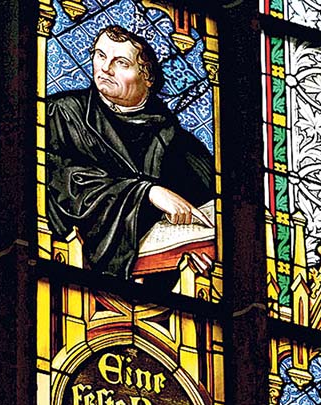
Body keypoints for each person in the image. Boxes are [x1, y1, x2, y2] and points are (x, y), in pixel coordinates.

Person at [47, 24, 215, 281]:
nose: (105, 68)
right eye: (100, 55)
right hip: (68, 275)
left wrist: (205, 252)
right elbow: (57, 182)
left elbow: (212, 211)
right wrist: (147, 193)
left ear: (147, 77)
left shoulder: (178, 143)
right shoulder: (62, 114)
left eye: (121, 63)